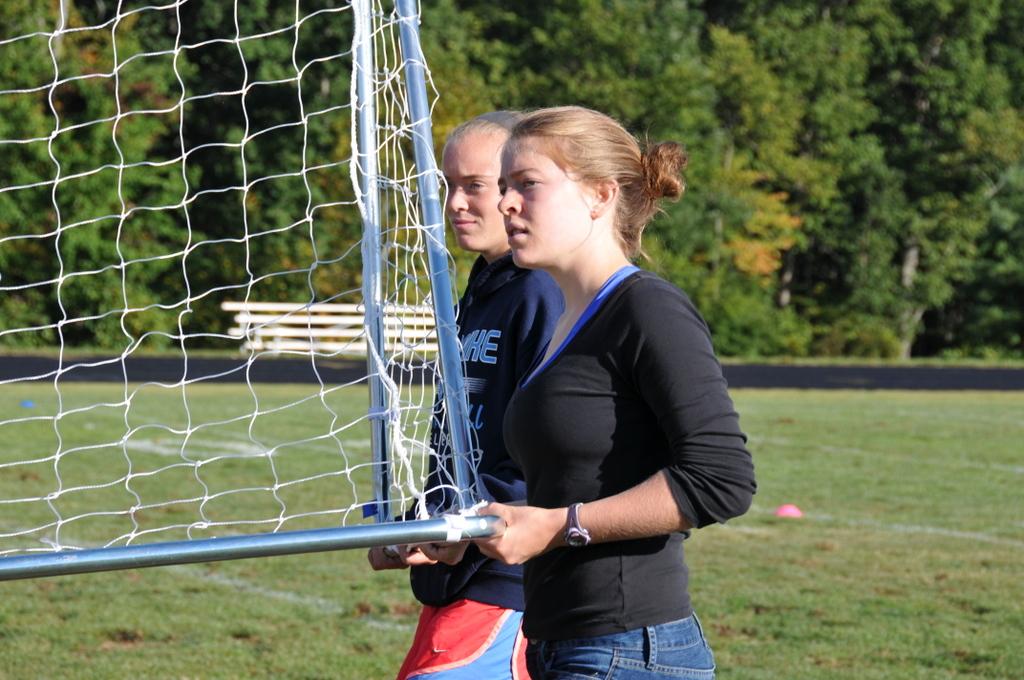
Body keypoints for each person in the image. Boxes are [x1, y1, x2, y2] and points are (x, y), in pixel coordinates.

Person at [474, 106, 757, 678]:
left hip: (628, 649)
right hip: (563, 642)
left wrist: (557, 527)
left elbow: (722, 480)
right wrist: (473, 533)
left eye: (527, 185)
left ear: (600, 196)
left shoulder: (645, 308)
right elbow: (577, 477)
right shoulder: (563, 319)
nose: (505, 203)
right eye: (505, 187)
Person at [367, 111, 563, 680]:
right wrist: (414, 524)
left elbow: (539, 454)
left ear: (517, 192)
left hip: (505, 580)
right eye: (446, 185)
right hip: (461, 569)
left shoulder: (539, 293)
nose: (455, 202)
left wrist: (453, 526)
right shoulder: (483, 287)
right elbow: (465, 443)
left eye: (473, 186)